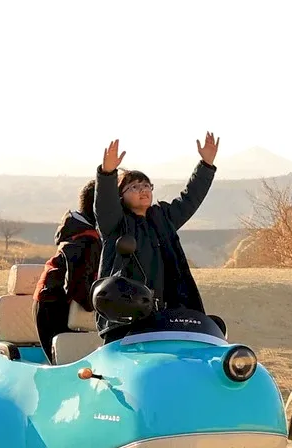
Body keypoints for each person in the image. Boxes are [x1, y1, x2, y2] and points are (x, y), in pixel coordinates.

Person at [93, 135, 218, 341]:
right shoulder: (115, 224)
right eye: (134, 187)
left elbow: (190, 199)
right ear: (121, 196)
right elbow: (104, 204)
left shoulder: (163, 218)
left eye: (146, 185)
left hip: (167, 316)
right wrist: (107, 174)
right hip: (124, 317)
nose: (143, 190)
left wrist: (206, 165)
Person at [35, 181, 100, 362]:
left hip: (51, 302)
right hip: (56, 305)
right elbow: (76, 283)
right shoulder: (86, 240)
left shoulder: (79, 230)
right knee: (67, 365)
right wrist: (94, 305)